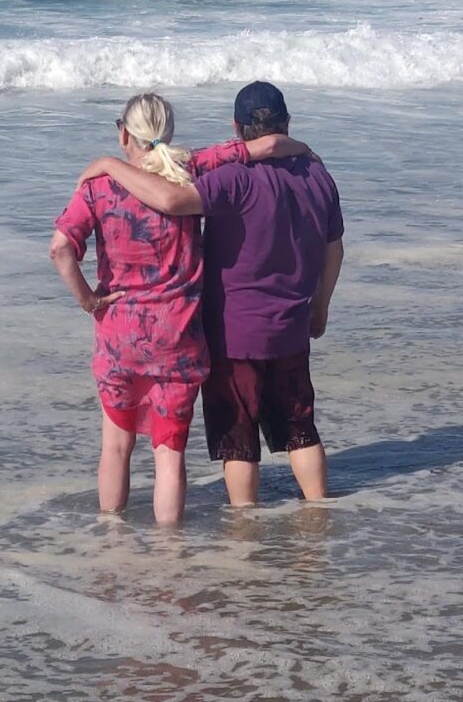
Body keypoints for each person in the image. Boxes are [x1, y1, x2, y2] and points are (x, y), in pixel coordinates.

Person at [84, 82, 344, 507]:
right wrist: (320, 308)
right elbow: (335, 252)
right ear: (287, 123)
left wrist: (111, 165)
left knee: (239, 441)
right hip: (293, 326)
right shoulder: (318, 175)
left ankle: (245, 523)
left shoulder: (230, 179)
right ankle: (319, 513)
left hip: (233, 332)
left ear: (236, 127)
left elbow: (168, 198)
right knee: (301, 430)